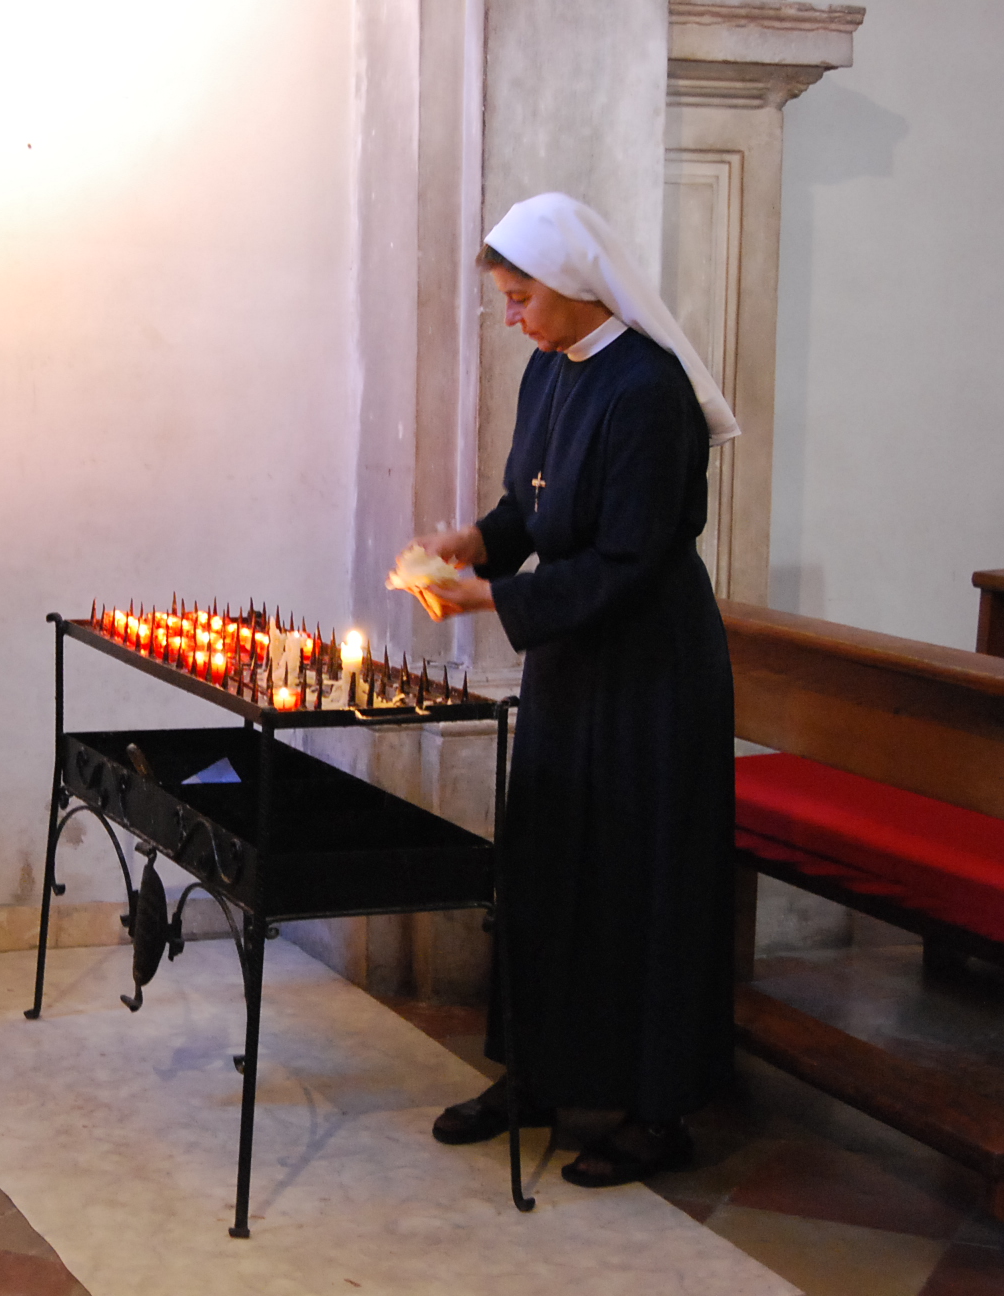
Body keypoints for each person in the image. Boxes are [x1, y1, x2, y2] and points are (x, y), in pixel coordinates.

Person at [401, 193, 737, 1188]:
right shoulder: (551, 370)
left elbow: (632, 559)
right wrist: (478, 541)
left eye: (520, 299)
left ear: (573, 284)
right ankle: (537, 1076)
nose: (511, 319)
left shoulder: (646, 390)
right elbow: (528, 505)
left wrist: (486, 599)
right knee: (547, 869)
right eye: (506, 301)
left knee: (640, 882)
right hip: (573, 669)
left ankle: (654, 1107)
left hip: (648, 677)